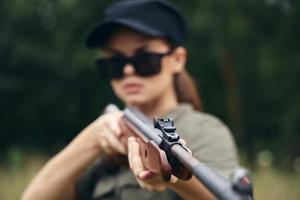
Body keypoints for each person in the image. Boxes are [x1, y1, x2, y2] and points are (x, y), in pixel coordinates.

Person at [22, 0, 239, 199]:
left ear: (177, 59)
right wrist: (91, 140)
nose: (127, 70)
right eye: (114, 62)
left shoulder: (204, 131)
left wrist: (172, 176)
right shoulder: (106, 140)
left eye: (144, 59)